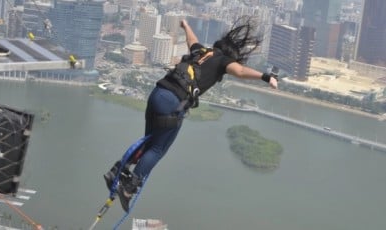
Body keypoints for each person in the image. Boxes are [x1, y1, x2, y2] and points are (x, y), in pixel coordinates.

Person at [104, 16, 278, 212]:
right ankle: (128, 188)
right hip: (173, 103)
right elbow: (240, 71)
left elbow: (192, 40)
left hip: (157, 94)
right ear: (231, 55)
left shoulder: (201, 52)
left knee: (149, 141)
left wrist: (186, 26)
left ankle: (116, 172)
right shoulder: (224, 61)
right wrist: (266, 76)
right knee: (157, 149)